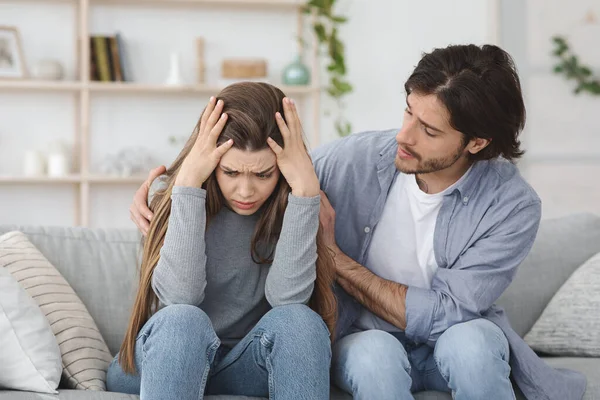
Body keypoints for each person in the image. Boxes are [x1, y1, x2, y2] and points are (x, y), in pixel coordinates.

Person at [131, 45, 586, 400]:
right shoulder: (351, 159)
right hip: (363, 336)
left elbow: (450, 312)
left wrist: (334, 257)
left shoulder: (512, 205)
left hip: (455, 332)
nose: (403, 137)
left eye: (428, 131)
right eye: (409, 111)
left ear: (477, 142)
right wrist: (169, 192)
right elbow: (269, 169)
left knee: (474, 348)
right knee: (373, 359)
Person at [108, 82, 336, 400]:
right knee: (184, 320)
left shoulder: (295, 205)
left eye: (262, 175)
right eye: (230, 172)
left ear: (282, 169)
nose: (245, 192)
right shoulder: (178, 195)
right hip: (167, 359)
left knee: (300, 322)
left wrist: (305, 195)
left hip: (242, 365)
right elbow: (179, 296)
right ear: (211, 162)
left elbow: (288, 300)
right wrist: (187, 185)